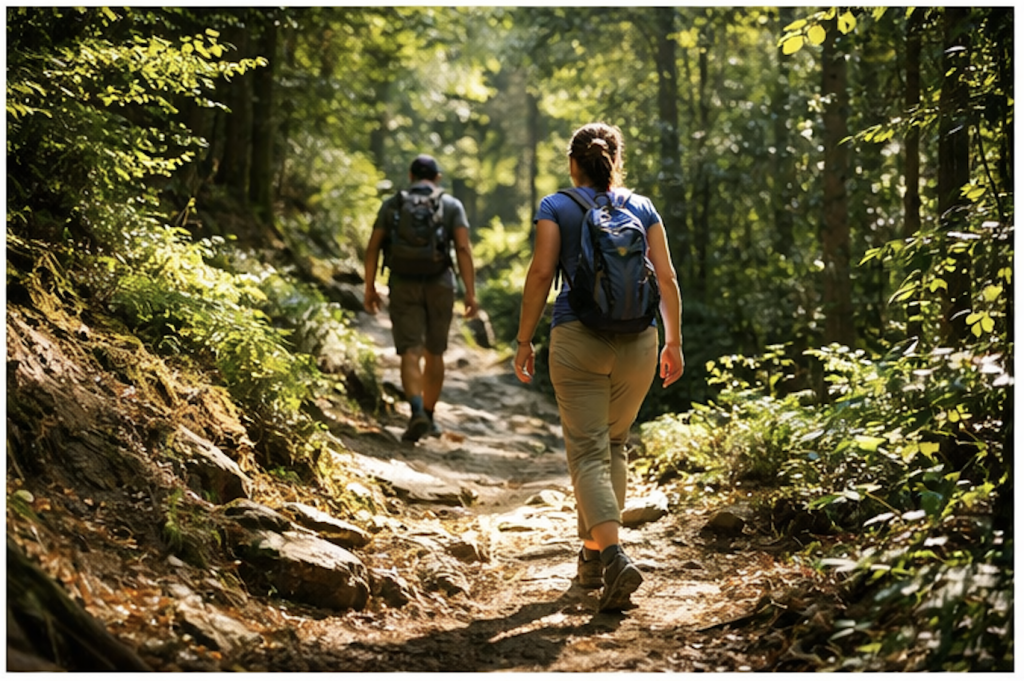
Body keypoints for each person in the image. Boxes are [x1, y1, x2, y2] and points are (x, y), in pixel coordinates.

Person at [513, 123, 685, 612]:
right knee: (613, 445)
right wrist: (673, 342)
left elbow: (543, 274)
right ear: (615, 159)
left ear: (573, 163)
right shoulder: (643, 206)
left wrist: (524, 339)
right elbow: (667, 279)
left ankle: (613, 556)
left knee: (587, 452)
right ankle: (591, 557)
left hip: (577, 338)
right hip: (641, 341)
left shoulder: (556, 206)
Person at [364, 154, 477, 442]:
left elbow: (373, 246)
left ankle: (415, 411)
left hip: (403, 283)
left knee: (410, 351)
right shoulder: (451, 205)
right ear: (437, 178)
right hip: (440, 283)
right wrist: (470, 294)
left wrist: (370, 287)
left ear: (411, 176)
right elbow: (463, 249)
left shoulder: (394, 204)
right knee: (434, 352)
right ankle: (428, 414)